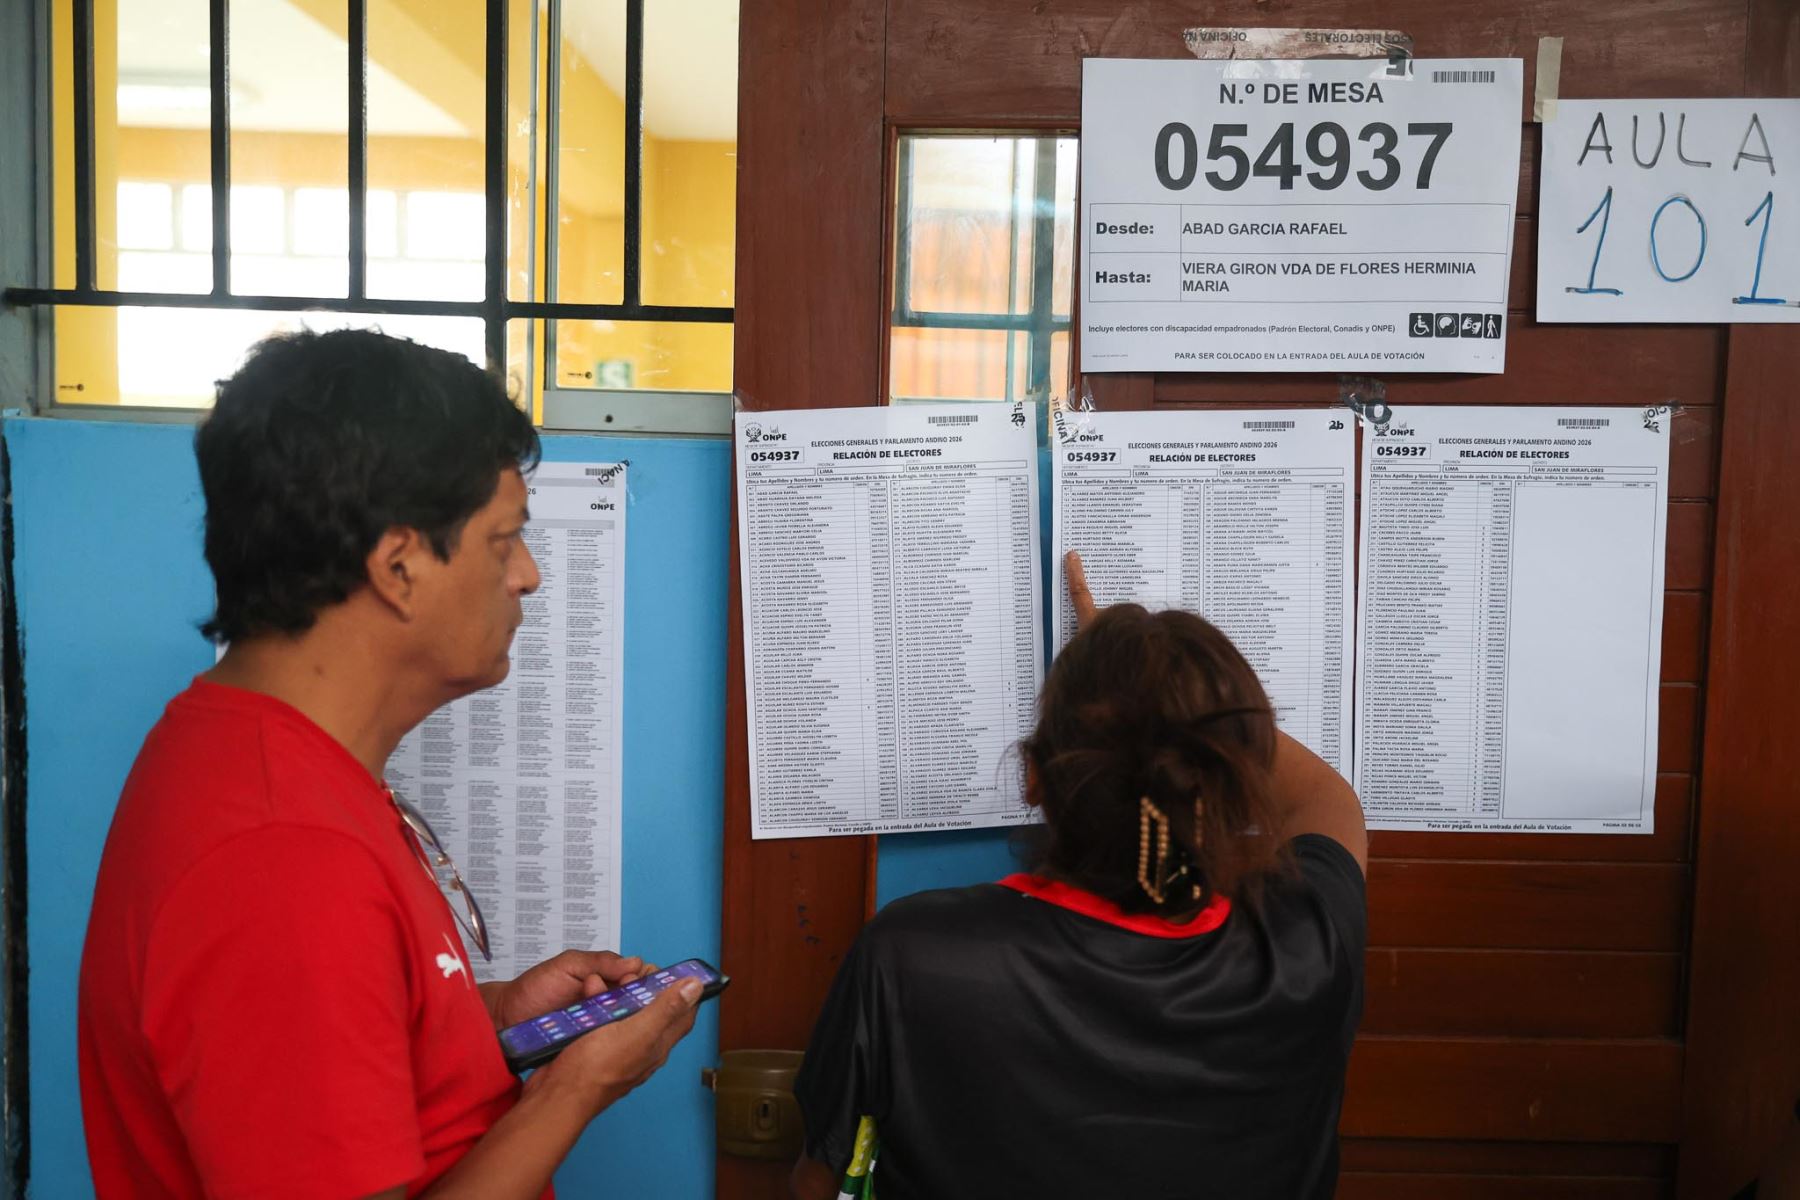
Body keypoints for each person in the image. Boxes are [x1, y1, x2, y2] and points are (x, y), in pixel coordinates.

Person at [78, 329, 701, 1200]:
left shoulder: (256, 758)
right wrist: (575, 1086)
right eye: (503, 540)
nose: (527, 576)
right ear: (398, 565)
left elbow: (319, 1050)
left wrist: (486, 1020)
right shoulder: (280, 857)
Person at [791, 552, 1368, 1200]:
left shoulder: (911, 956)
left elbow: (817, 1185)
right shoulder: (1304, 951)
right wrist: (1169, 698)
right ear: (1226, 779)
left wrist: (1123, 687)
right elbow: (1327, 797)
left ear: (1034, 774)